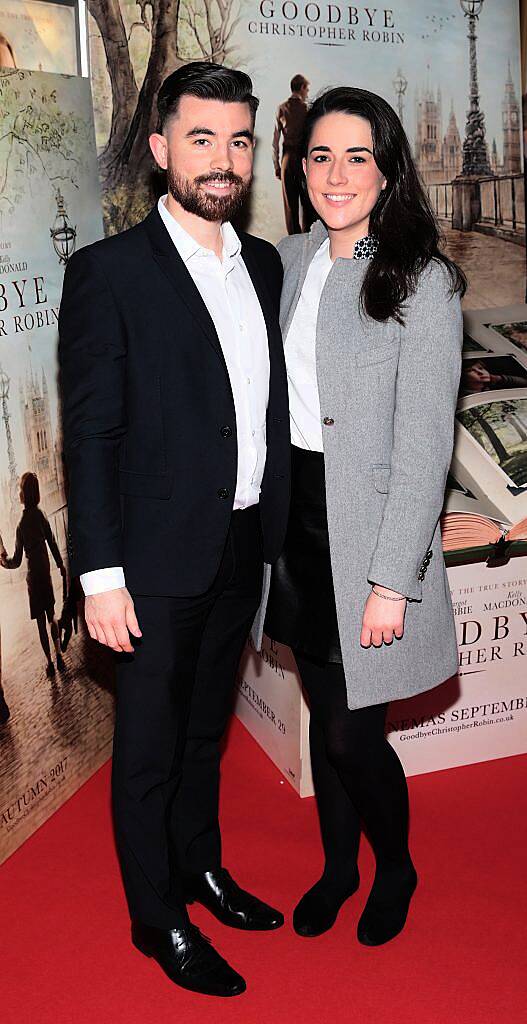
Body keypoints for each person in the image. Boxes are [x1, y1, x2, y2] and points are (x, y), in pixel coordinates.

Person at [59, 62, 290, 998]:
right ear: (160, 150)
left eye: (238, 140)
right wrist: (99, 575)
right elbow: (93, 432)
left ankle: (200, 868)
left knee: (205, 738)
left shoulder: (264, 262)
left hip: (239, 547)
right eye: (202, 139)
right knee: (149, 750)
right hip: (149, 564)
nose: (223, 159)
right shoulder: (108, 273)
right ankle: (158, 921)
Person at [263, 86, 465, 947]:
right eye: (319, 156)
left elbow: (425, 446)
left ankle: (396, 866)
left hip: (372, 533)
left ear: (387, 168)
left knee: (351, 736)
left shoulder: (421, 279)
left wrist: (393, 579)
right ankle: (337, 868)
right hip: (298, 526)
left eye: (356, 156)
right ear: (299, 168)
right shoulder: (291, 259)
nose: (335, 175)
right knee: (324, 715)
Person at [0, 473, 66, 678]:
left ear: (24, 494)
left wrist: (3, 561)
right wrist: (60, 564)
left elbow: (17, 560)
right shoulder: (41, 516)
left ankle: (49, 663)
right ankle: (59, 656)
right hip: (45, 574)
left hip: (33, 580)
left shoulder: (21, 525)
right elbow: (53, 542)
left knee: (40, 623)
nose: (18, 492)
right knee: (51, 616)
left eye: (20, 489)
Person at [272, 74, 312, 234]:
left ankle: (293, 244)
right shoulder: (307, 109)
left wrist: (277, 165)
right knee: (308, 205)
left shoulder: (281, 108)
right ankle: (308, 245)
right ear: (301, 88)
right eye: (306, 89)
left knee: (290, 207)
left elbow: (275, 141)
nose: (307, 93)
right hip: (303, 161)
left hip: (287, 161)